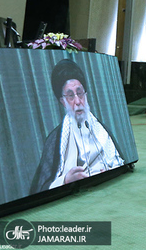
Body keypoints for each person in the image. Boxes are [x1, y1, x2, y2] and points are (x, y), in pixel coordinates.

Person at [30, 59, 125, 193]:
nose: (78, 101)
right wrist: (66, 180)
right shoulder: (55, 139)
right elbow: (40, 188)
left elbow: (119, 161)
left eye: (80, 93)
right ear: (62, 101)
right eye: (70, 96)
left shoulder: (100, 128)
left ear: (85, 94)